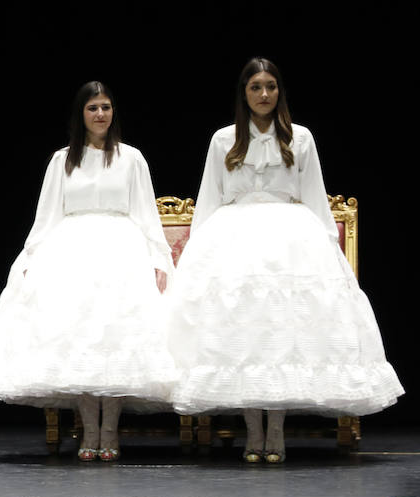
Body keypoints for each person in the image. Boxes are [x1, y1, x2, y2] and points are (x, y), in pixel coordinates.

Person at [166, 58, 401, 462]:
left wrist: (329, 252)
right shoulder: (224, 140)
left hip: (290, 237)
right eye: (256, 87)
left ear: (279, 92)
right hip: (234, 237)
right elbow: (209, 196)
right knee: (244, 331)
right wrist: (197, 252)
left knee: (279, 330)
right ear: (244, 93)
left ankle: (275, 431)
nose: (263, 94)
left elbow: (314, 193)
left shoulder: (300, 137)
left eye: (270, 86)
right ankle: (251, 430)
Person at [0, 82, 177, 460]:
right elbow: (47, 215)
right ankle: (89, 430)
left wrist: (158, 259)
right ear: (81, 114)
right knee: (80, 340)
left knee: (113, 340)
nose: (100, 114)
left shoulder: (131, 158)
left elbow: (147, 213)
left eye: (106, 107)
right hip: (71, 254)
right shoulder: (62, 159)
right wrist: (30, 258)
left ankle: (110, 430)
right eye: (93, 108)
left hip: (121, 252)